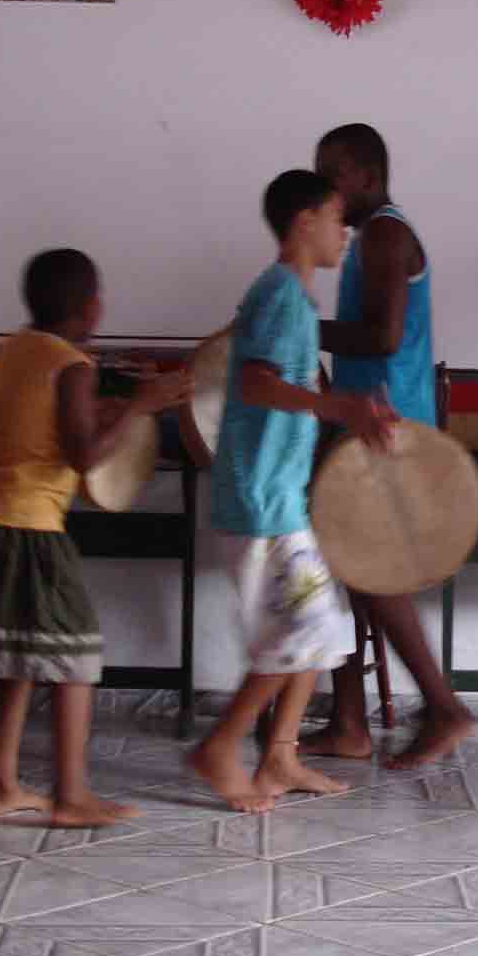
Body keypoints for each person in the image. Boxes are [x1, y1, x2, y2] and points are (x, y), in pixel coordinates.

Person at [0, 248, 189, 828]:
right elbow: (82, 454)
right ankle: (71, 795)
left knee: (18, 658)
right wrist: (141, 406)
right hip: (29, 524)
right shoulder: (73, 364)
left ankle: (1, 785)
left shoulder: (14, 349)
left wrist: (109, 407)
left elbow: (36, 419)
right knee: (76, 655)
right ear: (92, 306)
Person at [190, 170, 393, 812]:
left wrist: (347, 410)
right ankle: (222, 744)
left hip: (276, 494)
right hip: (262, 499)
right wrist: (336, 406)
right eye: (336, 217)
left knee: (323, 626)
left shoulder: (290, 298)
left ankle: (279, 757)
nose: (345, 231)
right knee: (303, 624)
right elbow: (255, 383)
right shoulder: (280, 294)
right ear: (305, 221)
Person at [299, 123, 476, 768]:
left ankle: (444, 707)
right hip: (366, 425)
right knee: (346, 572)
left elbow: (383, 338)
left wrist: (300, 329)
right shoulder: (368, 238)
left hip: (388, 429)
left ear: (368, 178)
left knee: (371, 575)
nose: (324, 189)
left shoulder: (385, 235)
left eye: (333, 175)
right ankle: (349, 722)